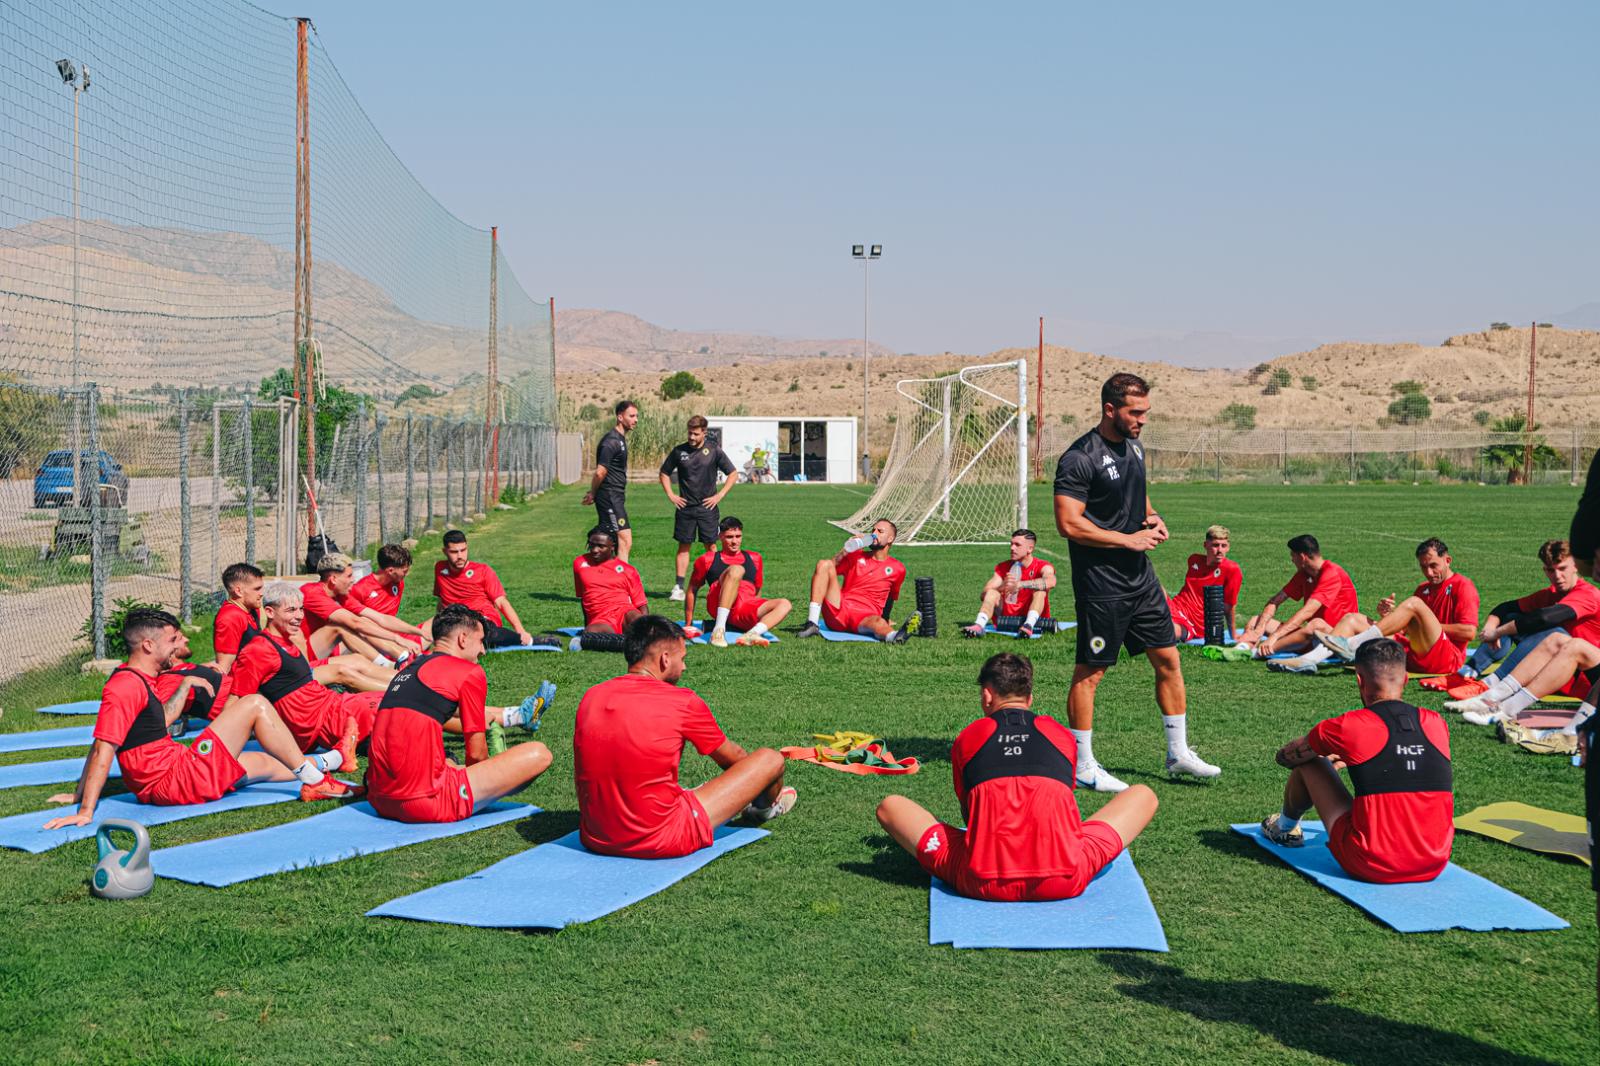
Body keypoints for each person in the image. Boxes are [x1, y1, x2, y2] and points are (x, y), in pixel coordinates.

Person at [876, 652, 1157, 901]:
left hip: (981, 881)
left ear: (987, 695)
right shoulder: (1060, 735)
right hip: (1064, 879)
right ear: (1030, 698)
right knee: (1144, 795)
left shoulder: (969, 737)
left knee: (891, 806)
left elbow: (968, 815)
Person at [1053, 372, 1218, 791]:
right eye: (1136, 412)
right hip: (1101, 584)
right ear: (1111, 409)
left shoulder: (1135, 447)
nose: (1143, 420)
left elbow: (1135, 494)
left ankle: (1178, 753)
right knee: (1090, 674)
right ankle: (1083, 764)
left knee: (1169, 660)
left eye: (1146, 412)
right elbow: (1068, 524)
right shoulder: (1079, 457)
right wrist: (1128, 539)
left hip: (1140, 579)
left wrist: (1153, 517)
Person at [43, 609, 357, 829]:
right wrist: (85, 809)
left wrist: (184, 687)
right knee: (254, 704)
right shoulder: (124, 687)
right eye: (172, 641)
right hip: (172, 781)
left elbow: (156, 724)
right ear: (148, 645)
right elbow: (102, 748)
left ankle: (332, 760)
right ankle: (316, 783)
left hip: (176, 768)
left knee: (264, 763)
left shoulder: (142, 678)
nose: (179, 646)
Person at [572, 615, 797, 858]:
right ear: (665, 659)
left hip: (596, 837)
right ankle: (765, 810)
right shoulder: (682, 701)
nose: (685, 667)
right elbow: (735, 760)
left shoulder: (592, 696)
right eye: (683, 658)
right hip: (662, 838)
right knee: (770, 759)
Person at [1259, 639, 1454, 884]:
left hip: (1371, 863)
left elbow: (1286, 756)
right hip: (1434, 863)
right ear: (1405, 679)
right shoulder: (1436, 722)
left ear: (1359, 680)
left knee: (1311, 761)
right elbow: (1403, 764)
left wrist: (1326, 760)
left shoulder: (1348, 726)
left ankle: (1284, 829)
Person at [365, 605, 554, 823]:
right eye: (481, 641)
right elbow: (476, 755)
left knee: (450, 764)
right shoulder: (469, 672)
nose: (483, 650)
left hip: (379, 799)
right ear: (463, 638)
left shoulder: (411, 667)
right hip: (425, 802)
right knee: (539, 754)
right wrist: (490, 774)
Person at [226, 582, 384, 763]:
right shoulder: (258, 650)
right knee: (393, 711)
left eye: (301, 609)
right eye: (291, 610)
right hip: (322, 720)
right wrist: (214, 745)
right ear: (270, 612)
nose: (299, 616)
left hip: (332, 704)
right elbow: (236, 701)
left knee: (395, 700)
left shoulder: (290, 640)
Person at [1274, 537, 1479, 676]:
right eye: (1423, 567)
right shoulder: (1423, 589)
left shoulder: (1463, 585)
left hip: (1447, 660)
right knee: (1352, 618)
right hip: (1415, 656)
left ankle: (1352, 645)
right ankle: (1309, 660)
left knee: (1413, 605)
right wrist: (1391, 616)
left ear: (1448, 560)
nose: (1428, 572)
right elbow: (1409, 630)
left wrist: (1419, 621)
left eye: (1433, 565)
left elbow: (1469, 632)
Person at [1447, 539, 1600, 701]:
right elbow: (1505, 608)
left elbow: (1543, 618)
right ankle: (1467, 672)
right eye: (1550, 570)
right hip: (1557, 673)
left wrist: (1498, 632)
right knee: (1511, 618)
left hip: (1586, 680)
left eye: (1562, 569)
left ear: (1576, 566)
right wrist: (1491, 628)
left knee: (1553, 632)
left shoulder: (1588, 594)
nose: (1557, 576)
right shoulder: (1550, 594)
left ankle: (1491, 684)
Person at [215, 560, 389, 693]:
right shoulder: (230, 617)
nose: (262, 592)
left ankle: (398, 678)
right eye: (257, 588)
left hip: (280, 668)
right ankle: (394, 691)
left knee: (356, 660)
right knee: (342, 670)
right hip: (272, 679)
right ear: (238, 591)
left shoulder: (248, 609)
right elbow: (226, 667)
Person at [795, 519, 919, 643]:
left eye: (880, 531)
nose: (874, 533)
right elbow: (828, 568)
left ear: (890, 539)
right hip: (840, 610)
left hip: (865, 617)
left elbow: (891, 597)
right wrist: (846, 550)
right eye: (873, 530)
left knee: (878, 622)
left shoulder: (898, 568)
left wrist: (885, 619)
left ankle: (895, 636)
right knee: (823, 564)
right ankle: (812, 624)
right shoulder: (856, 555)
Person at [1235, 534, 1359, 658]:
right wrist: (1259, 630)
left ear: (1302, 557)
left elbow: (1307, 612)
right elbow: (1275, 600)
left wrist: (1275, 636)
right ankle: (1242, 650)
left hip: (1338, 640)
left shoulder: (1332, 574)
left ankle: (1258, 653)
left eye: (1293, 556)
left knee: (1316, 624)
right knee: (1257, 620)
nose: (1292, 560)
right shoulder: (1304, 573)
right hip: (1315, 638)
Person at [662, 415, 738, 602]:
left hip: (707, 508)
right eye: (689, 433)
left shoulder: (714, 451)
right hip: (685, 508)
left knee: (711, 546)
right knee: (683, 546)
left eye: (695, 434)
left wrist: (720, 495)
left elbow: (733, 473)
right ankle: (679, 587)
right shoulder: (679, 451)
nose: (692, 437)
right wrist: (671, 495)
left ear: (704, 432)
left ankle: (715, 585)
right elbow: (664, 472)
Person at [685, 516, 791, 647]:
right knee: (736, 570)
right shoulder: (707, 559)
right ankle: (718, 630)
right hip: (718, 600)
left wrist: (761, 618)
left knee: (785, 603)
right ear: (720, 536)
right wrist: (688, 624)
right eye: (730, 537)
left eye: (738, 536)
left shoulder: (755, 558)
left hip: (745, 604)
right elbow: (692, 589)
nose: (735, 541)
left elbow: (757, 590)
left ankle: (752, 634)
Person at [299, 553, 421, 667]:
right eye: (349, 576)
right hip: (303, 655)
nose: (353, 580)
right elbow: (355, 623)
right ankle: (389, 666)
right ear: (333, 579)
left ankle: (402, 659)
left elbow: (379, 617)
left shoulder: (341, 595)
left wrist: (418, 632)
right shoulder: (312, 592)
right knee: (343, 627)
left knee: (364, 622)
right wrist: (397, 638)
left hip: (329, 647)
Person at [433, 529, 533, 647]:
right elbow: (442, 600)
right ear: (445, 551)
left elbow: (501, 602)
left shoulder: (483, 571)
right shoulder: (440, 569)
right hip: (456, 620)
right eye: (454, 552)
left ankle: (525, 640)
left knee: (482, 633)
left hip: (482, 618)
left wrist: (520, 630)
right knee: (428, 632)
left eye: (463, 550)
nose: (460, 556)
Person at [961, 528, 1057, 639]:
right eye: (1011, 544)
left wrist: (1020, 584)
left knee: (1040, 591)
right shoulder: (1003, 567)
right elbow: (983, 595)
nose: (1012, 548)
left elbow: (1051, 581)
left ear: (1030, 549)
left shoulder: (1042, 566)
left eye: (1017, 545)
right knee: (992, 592)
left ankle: (1028, 625)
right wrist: (1002, 587)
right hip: (1006, 618)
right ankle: (979, 626)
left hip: (1033, 617)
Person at [1164, 525, 1243, 643]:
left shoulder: (1232, 569)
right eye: (1215, 545)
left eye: (1224, 546)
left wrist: (1233, 635)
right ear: (1205, 545)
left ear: (1228, 547)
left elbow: (1229, 607)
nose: (1220, 550)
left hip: (1194, 624)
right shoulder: (1194, 560)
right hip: (1174, 608)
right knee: (1154, 586)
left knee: (1165, 631)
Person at [582, 399, 638, 562]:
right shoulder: (611, 441)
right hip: (609, 496)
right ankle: (618, 582)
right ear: (620, 417)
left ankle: (608, 579)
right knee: (623, 539)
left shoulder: (619, 439)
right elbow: (600, 472)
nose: (636, 420)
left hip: (615, 497)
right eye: (632, 416)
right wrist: (593, 493)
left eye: (636, 416)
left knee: (610, 539)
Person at [349, 543, 434, 647]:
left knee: (443, 621)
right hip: (377, 641)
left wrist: (417, 632)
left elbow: (390, 618)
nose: (407, 574)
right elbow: (354, 624)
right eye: (404, 571)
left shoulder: (398, 583)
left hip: (397, 634)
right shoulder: (360, 589)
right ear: (390, 571)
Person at [574, 528, 648, 634]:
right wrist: (587, 625)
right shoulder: (580, 563)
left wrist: (647, 626)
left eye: (601, 546)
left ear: (612, 546)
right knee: (591, 633)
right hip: (601, 619)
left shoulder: (628, 570)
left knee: (637, 620)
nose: (595, 550)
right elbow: (584, 597)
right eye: (592, 545)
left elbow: (641, 604)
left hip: (624, 611)